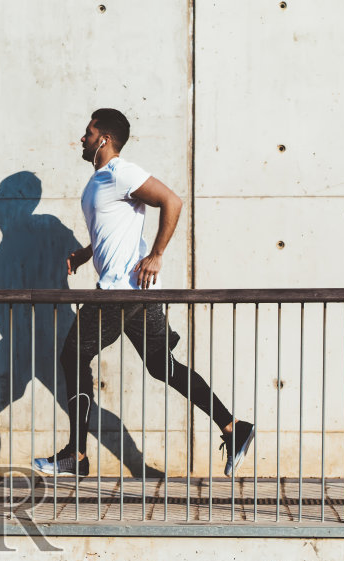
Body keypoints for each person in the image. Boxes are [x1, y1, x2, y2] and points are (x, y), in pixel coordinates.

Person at [32, 108, 255, 478]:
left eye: (88, 133)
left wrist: (156, 255)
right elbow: (114, 228)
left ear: (103, 138)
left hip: (120, 292)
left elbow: (173, 201)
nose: (82, 138)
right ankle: (234, 428)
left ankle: (77, 454)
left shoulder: (122, 173)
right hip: (137, 293)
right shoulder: (101, 181)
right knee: (161, 366)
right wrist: (87, 252)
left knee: (72, 356)